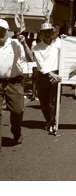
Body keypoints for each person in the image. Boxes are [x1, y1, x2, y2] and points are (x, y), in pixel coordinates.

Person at [0, 19, 33, 148]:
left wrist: (24, 44)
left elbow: (30, 59)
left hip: (14, 83)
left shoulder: (16, 44)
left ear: (7, 31)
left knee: (17, 111)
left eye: (1, 30)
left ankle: (16, 132)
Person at [32, 22, 62, 135]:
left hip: (57, 74)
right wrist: (51, 74)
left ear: (52, 32)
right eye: (45, 32)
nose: (48, 33)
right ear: (41, 33)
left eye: (50, 31)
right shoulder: (37, 47)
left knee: (55, 100)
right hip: (44, 75)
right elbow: (40, 64)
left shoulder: (59, 43)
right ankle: (49, 119)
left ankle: (53, 121)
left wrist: (56, 75)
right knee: (43, 100)